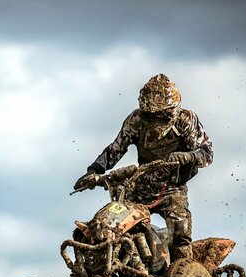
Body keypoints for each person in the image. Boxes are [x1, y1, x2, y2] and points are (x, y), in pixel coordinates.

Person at [73, 73, 213, 261]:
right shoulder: (136, 120)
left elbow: (207, 153)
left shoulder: (186, 120)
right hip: (140, 185)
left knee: (180, 231)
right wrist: (94, 171)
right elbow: (116, 148)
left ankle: (183, 271)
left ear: (172, 110)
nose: (154, 120)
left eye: (160, 115)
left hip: (172, 187)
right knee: (113, 226)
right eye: (150, 115)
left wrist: (188, 156)